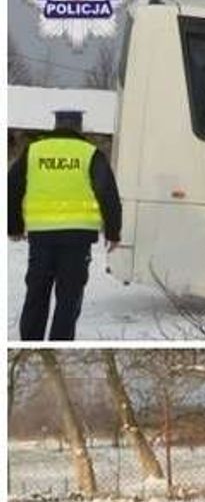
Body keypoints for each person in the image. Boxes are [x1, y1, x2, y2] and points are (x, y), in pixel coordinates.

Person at [8, 109, 121, 340]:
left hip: (42, 237)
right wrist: (113, 231)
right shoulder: (90, 153)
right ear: (78, 127)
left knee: (37, 294)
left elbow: (12, 188)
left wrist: (14, 225)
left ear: (56, 125)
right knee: (69, 297)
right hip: (77, 239)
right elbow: (107, 193)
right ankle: (61, 340)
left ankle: (30, 340)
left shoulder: (34, 151)